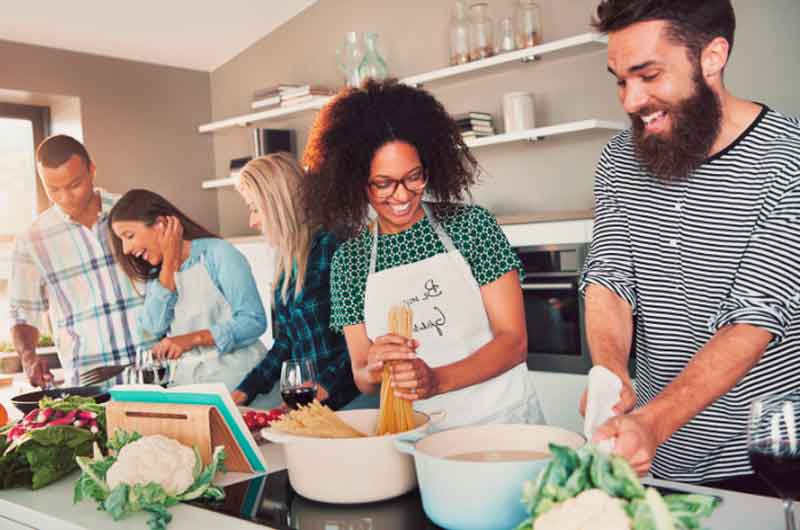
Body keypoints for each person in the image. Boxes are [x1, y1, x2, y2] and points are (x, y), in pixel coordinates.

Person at [581, 0, 800, 494]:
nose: (630, 101)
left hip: (765, 454)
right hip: (656, 454)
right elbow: (609, 280)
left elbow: (754, 316)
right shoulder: (620, 160)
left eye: (648, 75)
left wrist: (654, 423)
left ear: (712, 57)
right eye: (620, 79)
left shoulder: (789, 159)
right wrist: (610, 373)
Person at [302, 79, 543, 430]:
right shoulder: (350, 262)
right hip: (416, 435)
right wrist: (374, 364)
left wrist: (437, 380)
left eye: (413, 177)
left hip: (501, 422)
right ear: (356, 182)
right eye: (383, 183)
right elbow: (362, 376)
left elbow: (514, 341)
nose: (401, 195)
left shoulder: (471, 227)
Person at [9, 135, 153, 387]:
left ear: (92, 170)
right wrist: (29, 356)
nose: (66, 197)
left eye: (75, 184)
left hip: (157, 370)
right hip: (91, 385)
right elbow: (23, 313)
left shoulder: (134, 212)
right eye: (53, 189)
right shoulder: (32, 240)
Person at [229, 153, 359, 410]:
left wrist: (321, 389)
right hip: (312, 407)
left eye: (255, 208)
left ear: (278, 204)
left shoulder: (333, 248)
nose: (252, 221)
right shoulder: (286, 264)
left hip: (348, 403)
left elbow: (358, 343)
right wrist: (243, 392)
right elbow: (286, 342)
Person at [108, 190, 267, 391]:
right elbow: (148, 336)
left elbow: (254, 321)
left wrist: (192, 339)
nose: (125, 249)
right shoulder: (158, 275)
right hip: (190, 389)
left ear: (160, 225)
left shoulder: (218, 254)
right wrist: (169, 265)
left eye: (129, 236)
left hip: (242, 387)